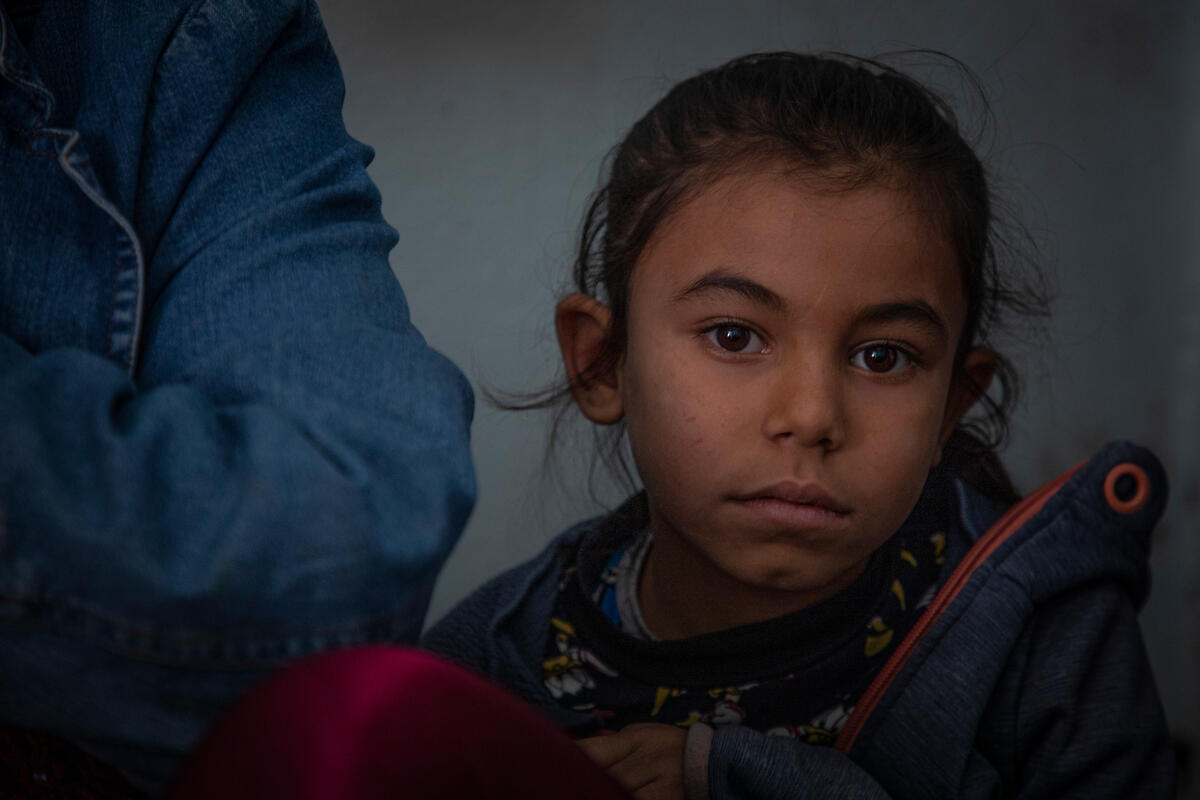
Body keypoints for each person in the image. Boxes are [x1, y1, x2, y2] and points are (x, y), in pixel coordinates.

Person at [422, 52, 1174, 798]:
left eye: (884, 356)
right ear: (603, 364)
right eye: (734, 336)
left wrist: (745, 780)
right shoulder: (492, 665)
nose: (812, 417)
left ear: (952, 402)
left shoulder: (1046, 644)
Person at [0, 0, 474, 795]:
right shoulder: (505, 635)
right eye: (732, 336)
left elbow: (351, 525)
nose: (769, 416)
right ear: (594, 357)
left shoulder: (187, 30)